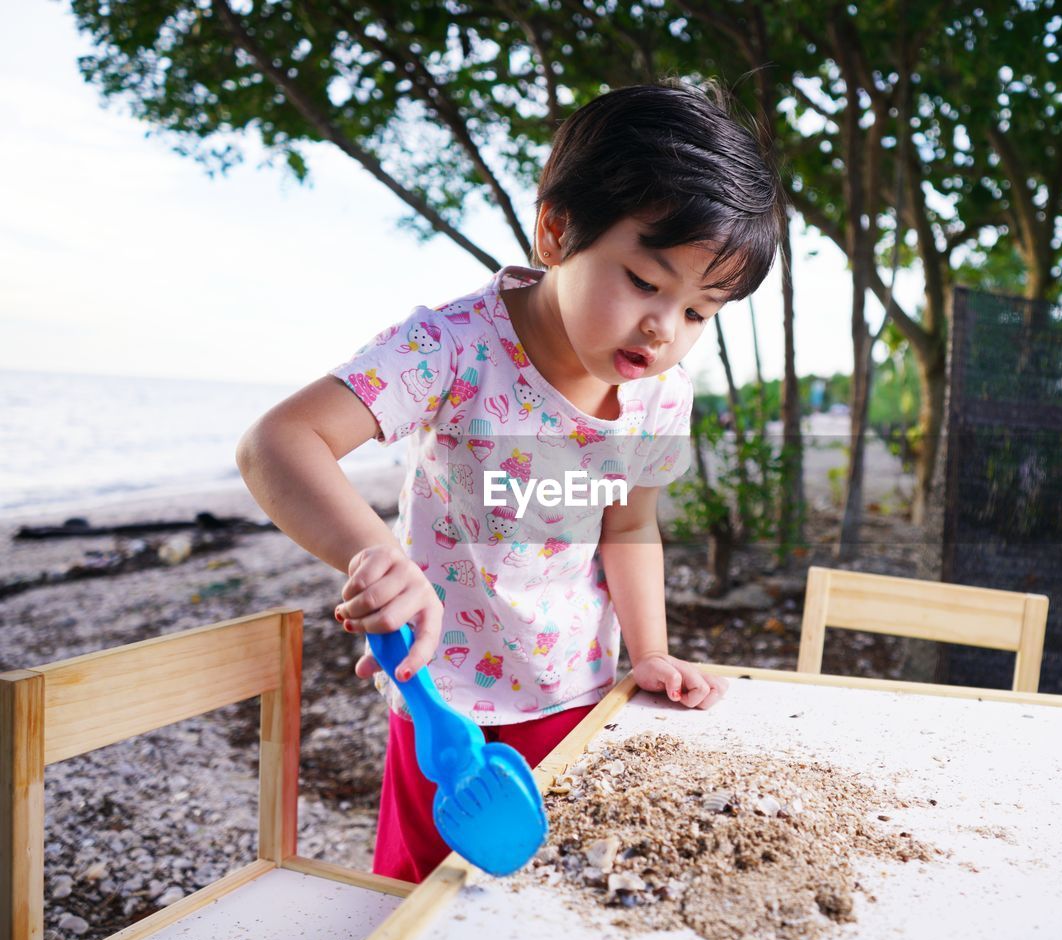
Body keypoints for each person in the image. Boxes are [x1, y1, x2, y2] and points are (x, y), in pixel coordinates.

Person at [237, 81, 783, 883]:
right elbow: (278, 443)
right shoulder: (453, 347)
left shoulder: (661, 394)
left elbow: (629, 528)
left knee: (561, 910)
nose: (665, 329)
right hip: (448, 709)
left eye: (700, 311)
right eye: (644, 280)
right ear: (558, 230)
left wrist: (651, 652)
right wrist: (375, 556)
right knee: (422, 909)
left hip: (584, 692)